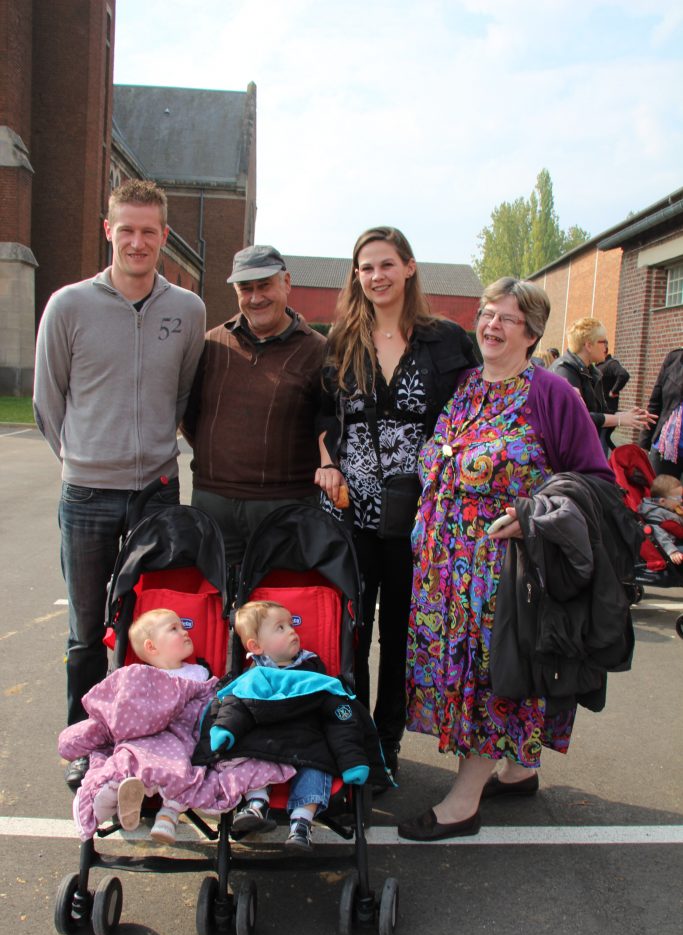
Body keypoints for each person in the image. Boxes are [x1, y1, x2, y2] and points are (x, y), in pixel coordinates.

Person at [398, 277, 618, 842]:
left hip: (503, 571)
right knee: (479, 675)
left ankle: (463, 802)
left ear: (533, 332)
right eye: (488, 314)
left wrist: (534, 514)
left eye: (508, 319)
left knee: (491, 678)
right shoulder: (467, 384)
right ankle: (518, 768)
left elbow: (594, 481)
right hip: (446, 572)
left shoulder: (551, 394)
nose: (492, 325)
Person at [33, 180, 206, 789]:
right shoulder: (69, 305)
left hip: (156, 491)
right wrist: (82, 460)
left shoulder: (187, 310)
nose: (138, 242)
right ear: (108, 231)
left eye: (149, 231)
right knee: (86, 629)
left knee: (152, 628)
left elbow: (182, 393)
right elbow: (46, 401)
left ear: (164, 236)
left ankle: (144, 741)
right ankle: (86, 742)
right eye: (126, 229)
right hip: (86, 495)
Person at [316, 226, 477, 782]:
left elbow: (475, 407)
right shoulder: (341, 341)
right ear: (356, 277)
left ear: (409, 267)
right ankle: (351, 737)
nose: (377, 276)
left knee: (401, 634)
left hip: (420, 516)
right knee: (352, 628)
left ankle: (387, 744)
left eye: (387, 264)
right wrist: (328, 459)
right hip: (351, 510)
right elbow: (320, 413)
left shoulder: (448, 341)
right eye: (366, 268)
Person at [58, 608, 294, 843]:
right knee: (130, 756)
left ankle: (155, 810)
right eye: (174, 629)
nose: (184, 632)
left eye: (183, 626)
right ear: (151, 647)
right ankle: (109, 800)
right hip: (145, 736)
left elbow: (208, 703)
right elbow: (120, 712)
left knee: (182, 764)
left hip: (184, 736)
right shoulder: (141, 676)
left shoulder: (199, 675)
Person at [181, 245, 327, 567]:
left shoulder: (319, 352)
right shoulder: (210, 345)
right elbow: (190, 417)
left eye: (265, 285)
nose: (255, 297)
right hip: (213, 504)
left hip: (286, 508)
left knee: (279, 610)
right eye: (245, 289)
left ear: (286, 282)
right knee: (216, 608)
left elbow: (328, 423)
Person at [198, 601, 379, 852]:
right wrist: (224, 729)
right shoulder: (252, 678)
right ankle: (256, 803)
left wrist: (353, 760)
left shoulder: (314, 675)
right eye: (280, 628)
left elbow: (339, 717)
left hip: (306, 743)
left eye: (292, 624)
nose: (292, 630)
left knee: (317, 767)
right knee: (250, 756)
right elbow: (235, 706)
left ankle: (301, 824)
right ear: (256, 646)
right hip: (267, 743)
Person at [550, 317, 653, 452]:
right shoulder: (564, 370)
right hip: (566, 453)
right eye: (603, 342)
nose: (606, 347)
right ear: (588, 345)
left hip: (582, 449)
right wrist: (619, 419)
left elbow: (600, 413)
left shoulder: (592, 372)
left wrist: (630, 416)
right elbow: (577, 417)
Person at [638, 347, 683, 481]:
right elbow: (655, 404)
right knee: (658, 499)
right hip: (664, 449)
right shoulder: (674, 359)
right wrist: (643, 445)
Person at [638, 475, 683, 565]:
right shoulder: (653, 514)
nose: (681, 501)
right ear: (662, 501)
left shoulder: (668, 506)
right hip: (671, 546)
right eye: (678, 498)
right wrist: (672, 551)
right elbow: (658, 534)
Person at [596, 347, 630, 450]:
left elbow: (623, 374)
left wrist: (613, 391)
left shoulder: (611, 364)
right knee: (605, 438)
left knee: (602, 438)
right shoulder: (599, 365)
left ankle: (604, 464)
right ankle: (615, 459)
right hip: (601, 410)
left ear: (604, 350)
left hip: (608, 410)